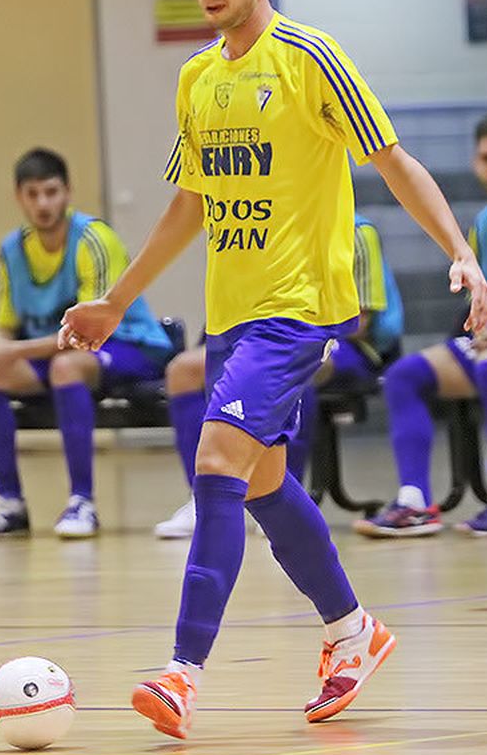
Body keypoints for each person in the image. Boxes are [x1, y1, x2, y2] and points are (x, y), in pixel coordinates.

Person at [60, 0, 487, 740]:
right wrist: (117, 299)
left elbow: (393, 161)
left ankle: (182, 671)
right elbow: (190, 202)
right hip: (234, 309)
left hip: (298, 310)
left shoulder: (310, 58)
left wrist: (461, 248)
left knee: (216, 457)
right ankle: (352, 631)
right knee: (260, 482)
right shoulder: (197, 78)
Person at [0, 148, 178, 540]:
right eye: (33, 194)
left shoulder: (94, 238)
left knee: (67, 365)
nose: (43, 203)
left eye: (51, 192)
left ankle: (82, 502)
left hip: (128, 348)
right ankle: (9, 505)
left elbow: (87, 334)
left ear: (68, 192)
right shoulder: (12, 249)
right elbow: (8, 324)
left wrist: (16, 350)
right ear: (18, 196)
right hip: (54, 350)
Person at [354, 113, 487, 538]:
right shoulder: (482, 224)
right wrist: (482, 329)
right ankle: (414, 502)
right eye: (486, 158)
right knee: (403, 376)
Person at [154, 212, 402, 540]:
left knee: (300, 360)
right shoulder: (260, 222)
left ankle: (284, 501)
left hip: (349, 343)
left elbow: (362, 319)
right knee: (183, 370)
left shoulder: (356, 230)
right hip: (266, 337)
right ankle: (203, 501)